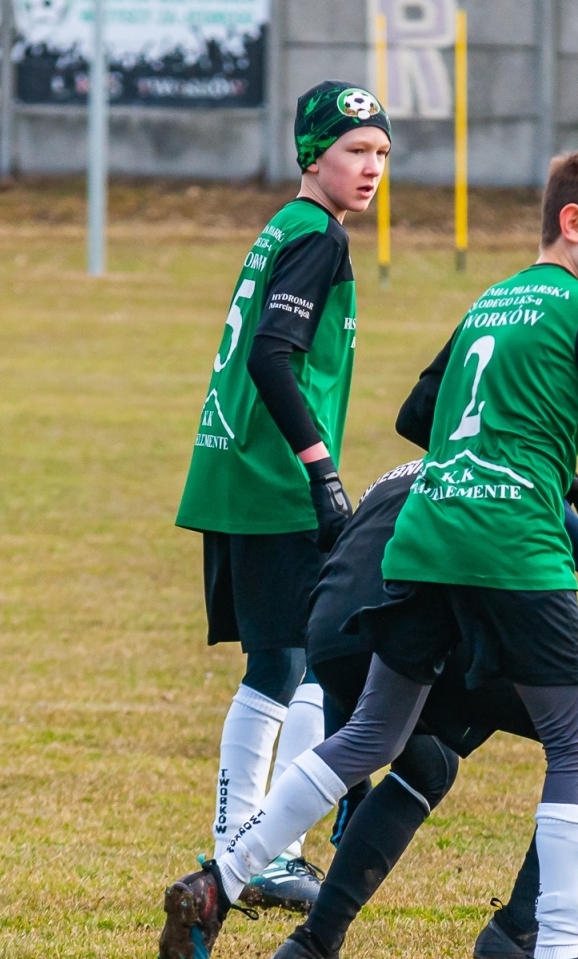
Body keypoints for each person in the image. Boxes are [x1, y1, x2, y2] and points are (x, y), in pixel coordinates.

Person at [158, 149, 578, 959]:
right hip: (509, 543)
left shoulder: (492, 298)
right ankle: (556, 956)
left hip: (425, 535)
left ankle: (220, 880)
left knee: (370, 735)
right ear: (572, 221)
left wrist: (492, 446)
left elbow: (418, 414)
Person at [261, 458, 578, 959]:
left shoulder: (396, 472)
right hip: (423, 632)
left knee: (426, 765)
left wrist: (353, 783)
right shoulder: (499, 464)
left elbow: (346, 596)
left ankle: (312, 939)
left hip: (335, 640)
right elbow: (570, 525)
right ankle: (519, 932)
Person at [172, 80, 389, 911]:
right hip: (274, 482)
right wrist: (321, 468)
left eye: (379, 154)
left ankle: (245, 846)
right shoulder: (317, 239)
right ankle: (265, 849)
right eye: (353, 153)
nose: (370, 169)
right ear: (312, 155)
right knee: (301, 664)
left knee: (278, 664)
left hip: (234, 472)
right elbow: (272, 355)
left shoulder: (284, 227)